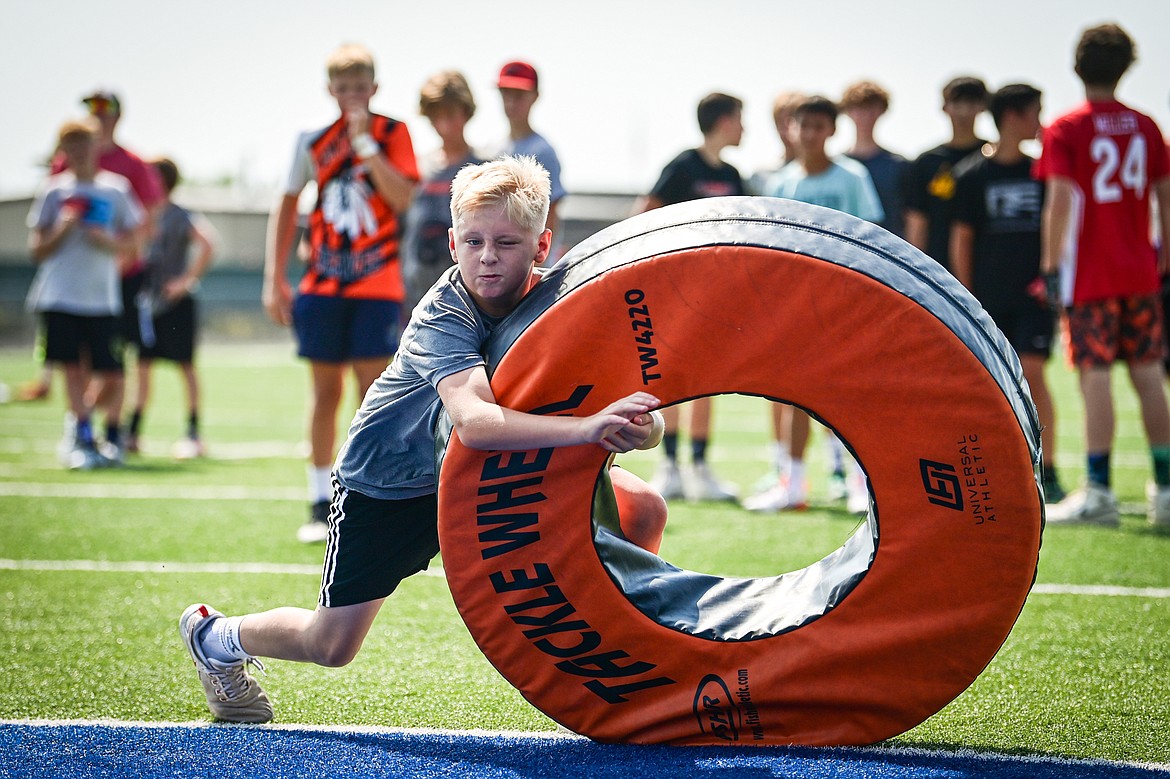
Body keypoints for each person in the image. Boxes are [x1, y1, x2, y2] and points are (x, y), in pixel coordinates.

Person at [180, 156, 667, 724]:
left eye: (507, 243)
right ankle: (216, 637)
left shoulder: (562, 299)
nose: (488, 257)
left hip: (492, 471)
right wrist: (587, 429)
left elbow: (640, 415)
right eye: (475, 241)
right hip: (394, 482)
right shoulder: (443, 312)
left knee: (643, 509)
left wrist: (637, 426)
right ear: (453, 241)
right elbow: (477, 424)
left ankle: (636, 652)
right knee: (331, 645)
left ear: (541, 246)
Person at [262, 43, 420, 544]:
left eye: (360, 87)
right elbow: (287, 207)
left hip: (377, 286)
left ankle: (364, 496)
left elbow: (402, 198)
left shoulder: (394, 132)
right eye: (343, 87)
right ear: (330, 90)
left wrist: (366, 146)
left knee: (372, 396)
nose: (352, 96)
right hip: (324, 287)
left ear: (374, 88)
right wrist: (275, 277)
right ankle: (317, 499)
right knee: (324, 393)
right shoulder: (311, 140)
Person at [1036, 23, 1170, 527]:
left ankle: (1099, 490)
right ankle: (1166, 489)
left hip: (1092, 273)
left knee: (1095, 377)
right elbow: (1165, 196)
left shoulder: (1067, 129)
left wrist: (1050, 267)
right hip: (1140, 269)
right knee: (1149, 375)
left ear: (1077, 66)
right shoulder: (1147, 125)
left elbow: (1059, 204)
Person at [749, 94, 883, 513]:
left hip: (843, 306)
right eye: (802, 126)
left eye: (818, 126)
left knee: (848, 394)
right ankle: (794, 485)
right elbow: (770, 249)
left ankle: (862, 483)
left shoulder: (853, 178)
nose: (809, 134)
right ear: (792, 128)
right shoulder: (782, 183)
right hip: (795, 307)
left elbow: (870, 241)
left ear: (831, 130)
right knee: (791, 396)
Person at [950, 83, 1065, 502]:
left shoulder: (1043, 171)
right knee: (990, 387)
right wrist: (965, 296)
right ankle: (997, 470)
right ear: (1012, 116)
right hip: (989, 302)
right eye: (1036, 112)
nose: (1041, 121)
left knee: (1033, 376)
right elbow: (962, 238)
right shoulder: (971, 174)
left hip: (1034, 298)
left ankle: (1048, 470)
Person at [634, 92, 747, 503]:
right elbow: (645, 212)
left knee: (708, 380)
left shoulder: (735, 174)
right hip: (675, 290)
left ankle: (700, 468)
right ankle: (670, 466)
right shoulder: (683, 165)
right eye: (739, 118)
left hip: (716, 294)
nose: (744, 127)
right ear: (722, 121)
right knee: (671, 376)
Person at [19, 91, 163, 407]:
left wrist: (117, 254)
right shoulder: (62, 167)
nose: (98, 115)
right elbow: (46, 223)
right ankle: (82, 426)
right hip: (71, 283)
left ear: (117, 115)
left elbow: (146, 223)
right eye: (92, 109)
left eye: (105, 109)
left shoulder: (133, 165)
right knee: (75, 363)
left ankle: (112, 429)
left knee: (113, 363)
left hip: (118, 278)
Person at [25, 118, 143, 469]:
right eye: (71, 147)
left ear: (96, 147)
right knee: (73, 369)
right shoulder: (53, 191)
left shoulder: (115, 189)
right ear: (64, 152)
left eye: (84, 145)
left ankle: (101, 431)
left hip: (102, 298)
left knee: (113, 373)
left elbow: (136, 243)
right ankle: (82, 436)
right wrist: (63, 227)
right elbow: (37, 249)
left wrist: (105, 241)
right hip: (60, 295)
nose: (78, 153)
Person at [124, 158, 216, 459]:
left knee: (185, 366)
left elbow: (208, 242)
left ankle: (192, 433)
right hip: (146, 304)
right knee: (142, 367)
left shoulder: (180, 214)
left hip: (175, 304)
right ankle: (132, 433)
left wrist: (184, 281)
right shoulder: (140, 213)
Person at [401, 70, 484, 313]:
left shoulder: (483, 167)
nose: (444, 124)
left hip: (466, 294)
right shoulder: (417, 168)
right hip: (415, 291)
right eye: (436, 116)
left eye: (450, 114)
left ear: (466, 112)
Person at [903, 76, 990, 272]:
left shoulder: (993, 159)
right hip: (938, 270)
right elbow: (917, 221)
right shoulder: (927, 162)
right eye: (957, 103)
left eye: (971, 102)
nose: (964, 111)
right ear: (944, 107)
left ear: (983, 107)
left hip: (987, 269)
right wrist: (915, 271)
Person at [496, 60, 566, 260]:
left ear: (535, 96)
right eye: (505, 94)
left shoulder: (543, 152)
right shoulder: (494, 150)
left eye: (518, 95)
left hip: (528, 265)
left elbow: (549, 215)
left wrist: (537, 264)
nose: (511, 102)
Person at [840, 80, 908, 238]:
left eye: (871, 108)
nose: (865, 115)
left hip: (891, 252)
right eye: (858, 108)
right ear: (848, 111)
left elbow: (910, 217)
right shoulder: (836, 166)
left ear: (882, 111)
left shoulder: (899, 165)